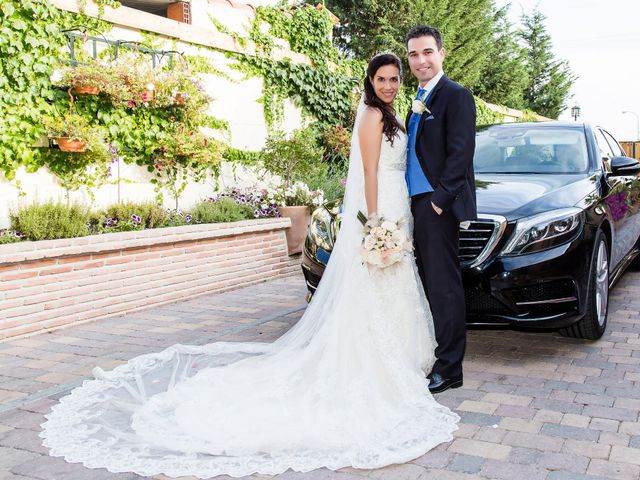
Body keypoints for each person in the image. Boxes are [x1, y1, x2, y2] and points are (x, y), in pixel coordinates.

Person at [40, 53, 459, 479]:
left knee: (396, 280)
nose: (388, 85)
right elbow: (369, 171)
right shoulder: (372, 115)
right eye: (381, 78)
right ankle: (373, 364)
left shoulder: (394, 112)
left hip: (398, 208)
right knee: (374, 284)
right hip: (381, 210)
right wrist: (374, 223)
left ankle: (401, 356)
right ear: (370, 80)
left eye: (393, 79)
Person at [404, 25, 477, 394]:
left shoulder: (456, 96)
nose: (421, 60)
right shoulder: (416, 99)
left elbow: (461, 153)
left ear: (441, 54)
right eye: (414, 54)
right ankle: (437, 356)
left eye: (427, 52)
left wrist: (438, 201)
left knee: (445, 287)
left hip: (437, 208)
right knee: (430, 285)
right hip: (416, 206)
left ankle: (450, 369)